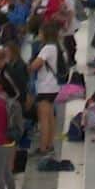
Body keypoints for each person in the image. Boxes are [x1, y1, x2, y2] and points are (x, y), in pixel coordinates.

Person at [29, 21, 63, 156]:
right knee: (50, 117)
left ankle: (43, 147)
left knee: (43, 118)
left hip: (45, 86)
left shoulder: (47, 48)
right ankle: (49, 144)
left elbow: (35, 65)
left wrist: (30, 65)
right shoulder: (57, 47)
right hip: (54, 85)